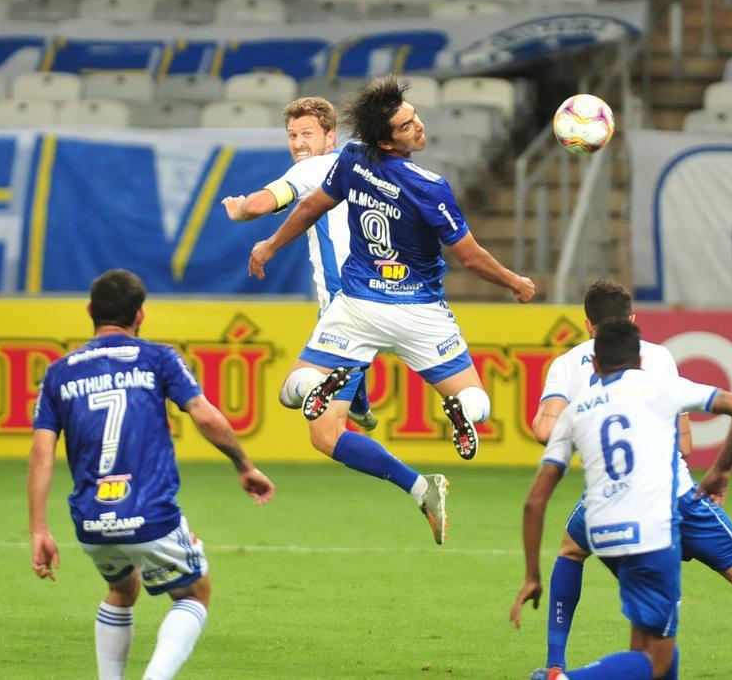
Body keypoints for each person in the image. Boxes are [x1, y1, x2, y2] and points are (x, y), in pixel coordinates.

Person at [247, 74, 536, 544]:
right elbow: (470, 257)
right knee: (478, 406)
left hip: (357, 307)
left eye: (414, 117)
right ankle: (455, 414)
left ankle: (324, 385)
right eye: (407, 125)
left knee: (293, 397)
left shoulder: (353, 161)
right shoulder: (431, 187)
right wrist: (515, 282)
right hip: (419, 313)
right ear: (387, 139)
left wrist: (271, 245)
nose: (418, 126)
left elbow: (310, 209)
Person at [511, 281, 732, 680]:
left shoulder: (569, 373)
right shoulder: (660, 364)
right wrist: (719, 470)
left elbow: (543, 440)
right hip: (666, 502)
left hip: (605, 510)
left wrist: (574, 427)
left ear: (587, 326)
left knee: (574, 553)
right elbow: (693, 438)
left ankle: (556, 660)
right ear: (634, 324)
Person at [28, 269, 275, 680]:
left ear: (90, 311)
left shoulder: (59, 373)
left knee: (123, 589)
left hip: (91, 520)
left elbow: (41, 452)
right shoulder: (158, 358)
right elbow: (206, 416)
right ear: (140, 315)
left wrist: (38, 528)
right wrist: (244, 465)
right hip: (150, 514)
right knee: (195, 593)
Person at [220, 95, 376, 432]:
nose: (298, 143)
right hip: (378, 290)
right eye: (293, 135)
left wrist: (240, 211)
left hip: (343, 302)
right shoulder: (361, 161)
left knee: (320, 430)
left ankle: (420, 486)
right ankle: (359, 398)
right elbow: (306, 213)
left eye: (307, 134)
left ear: (330, 136)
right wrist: (272, 245)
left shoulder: (313, 168)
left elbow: (261, 204)